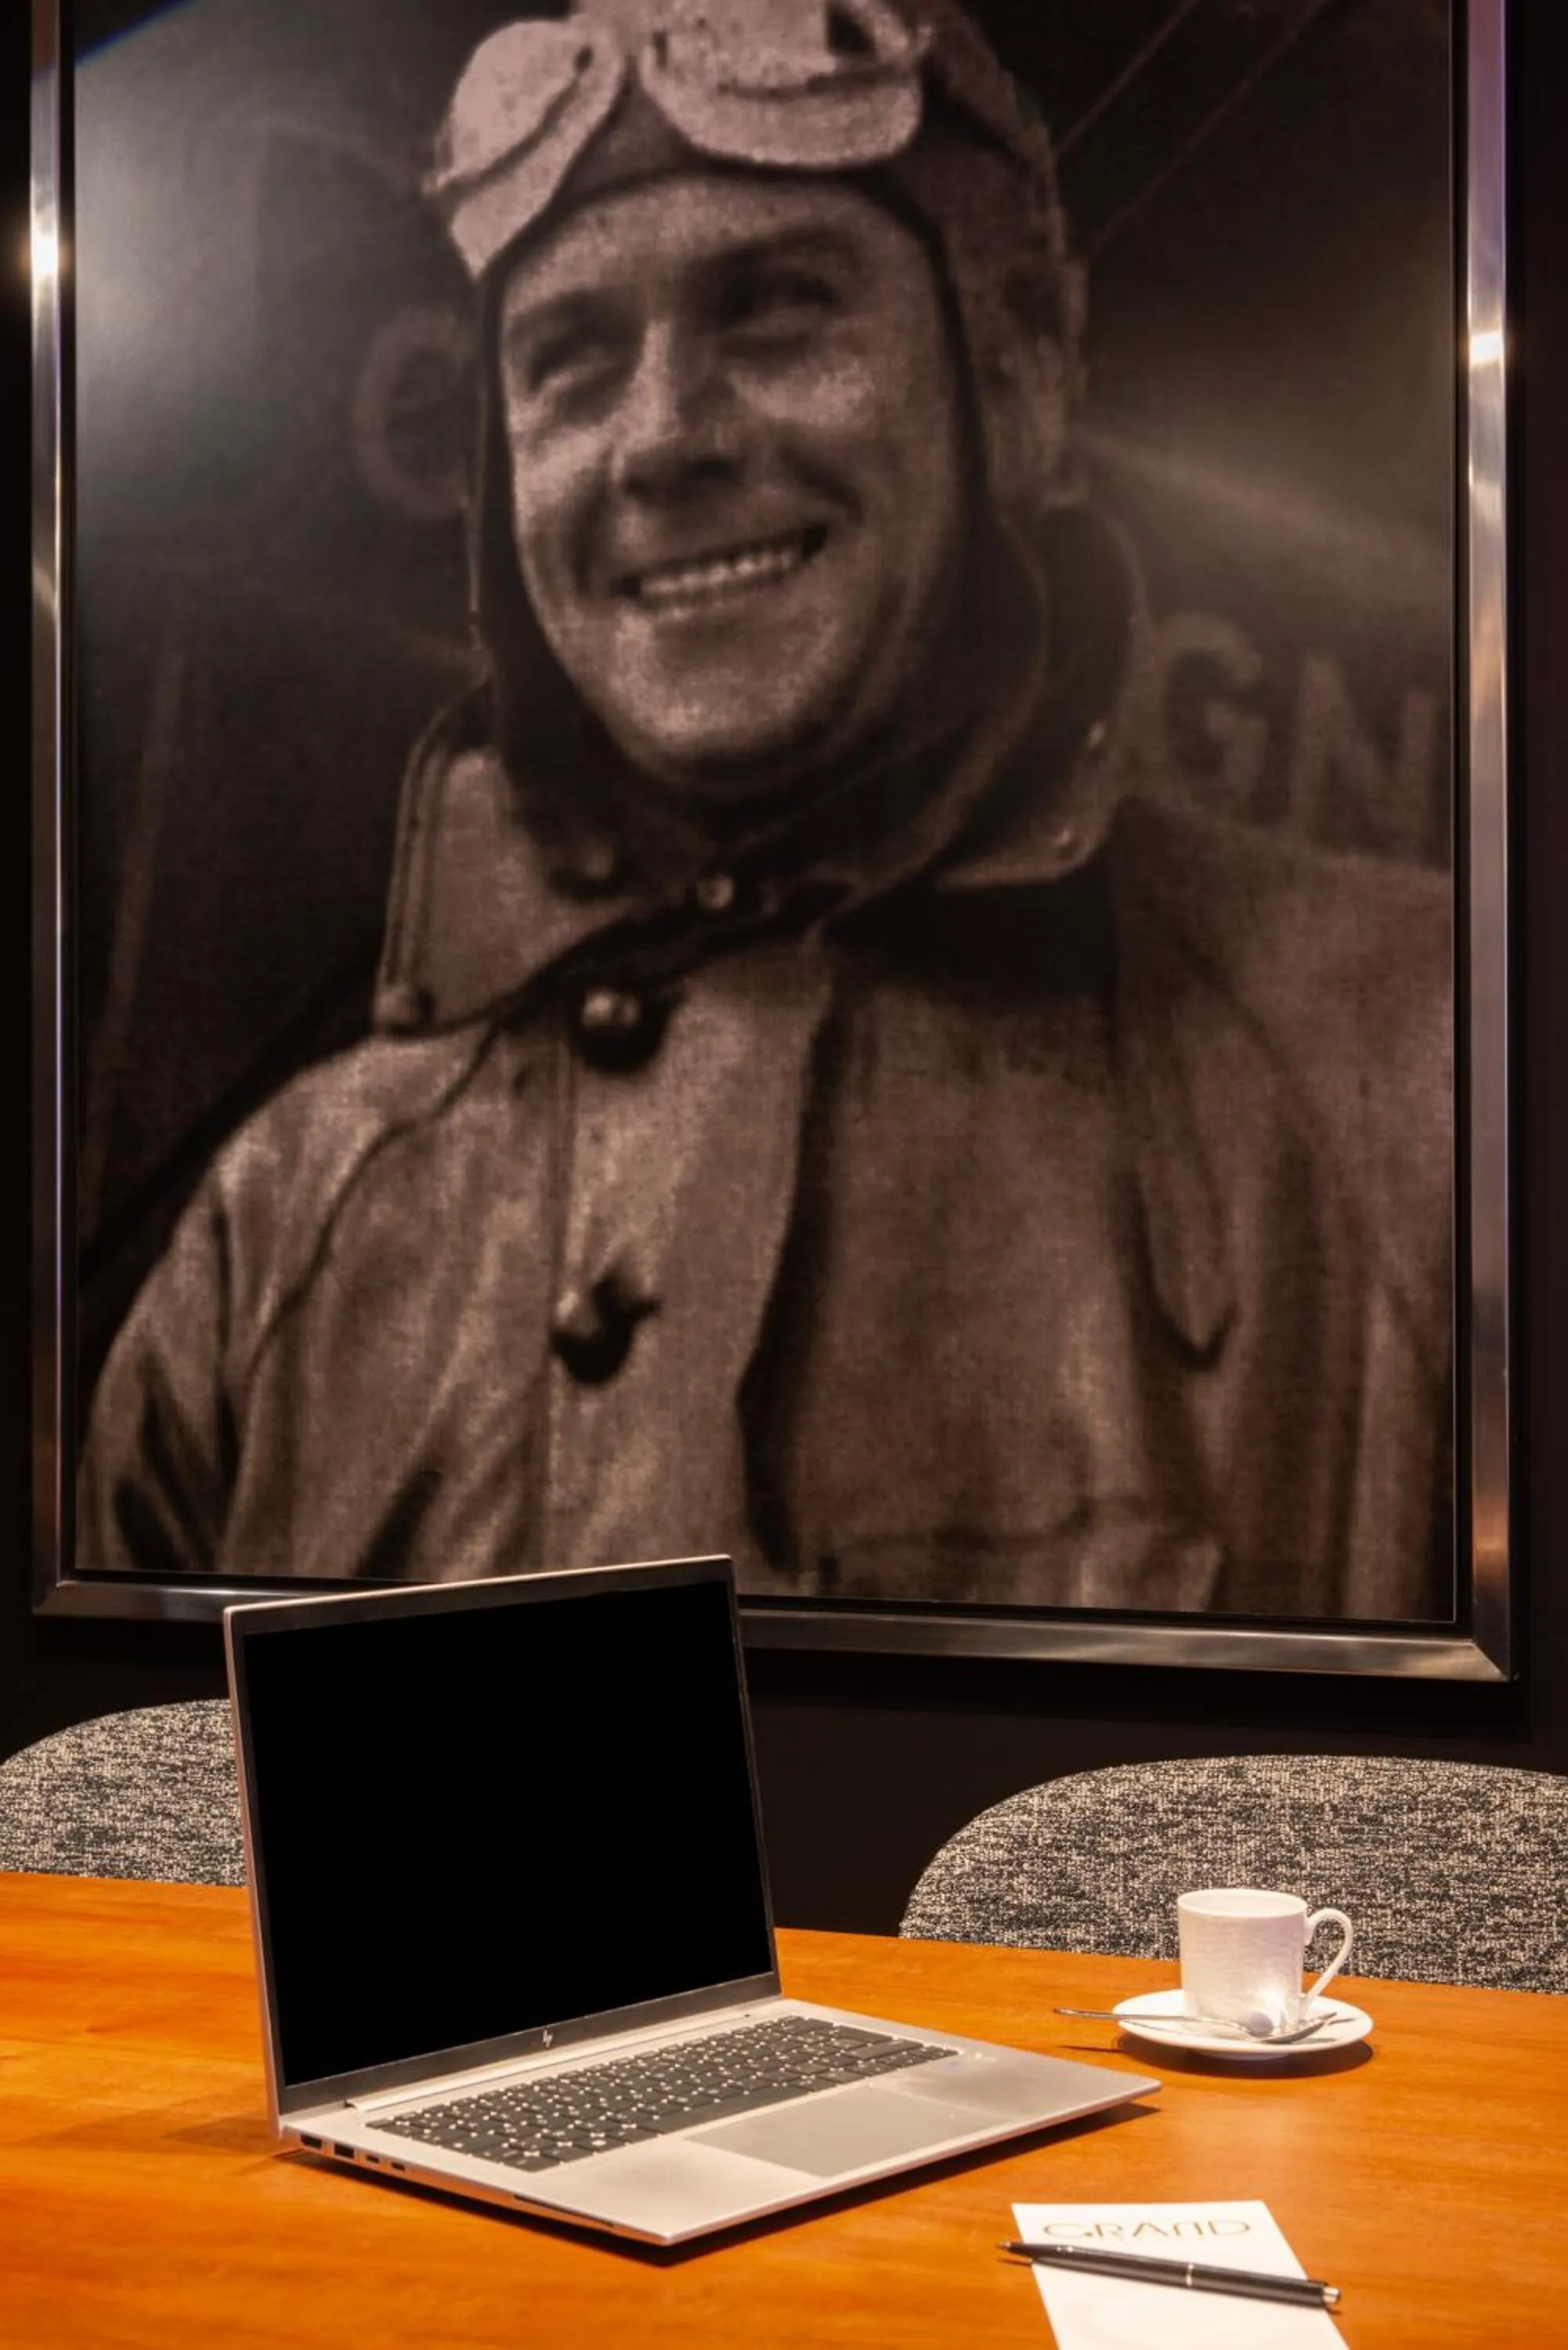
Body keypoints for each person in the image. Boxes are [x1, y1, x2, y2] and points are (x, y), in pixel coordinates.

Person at [81, 0, 1452, 1622]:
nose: (658, 438)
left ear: (1014, 373)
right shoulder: (282, 1222)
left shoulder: (1430, 1066)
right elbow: (110, 1860)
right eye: (569, 361)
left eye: (775, 311)